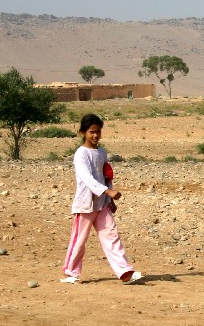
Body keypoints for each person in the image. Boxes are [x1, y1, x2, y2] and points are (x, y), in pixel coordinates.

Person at [61, 114, 143, 285]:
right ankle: (71, 273)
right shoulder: (81, 154)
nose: (95, 136)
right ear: (83, 132)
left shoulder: (102, 152)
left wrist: (109, 197)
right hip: (86, 204)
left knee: (111, 236)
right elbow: (87, 178)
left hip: (102, 203)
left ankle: (125, 272)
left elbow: (106, 175)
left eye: (98, 132)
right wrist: (108, 192)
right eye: (92, 132)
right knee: (79, 240)